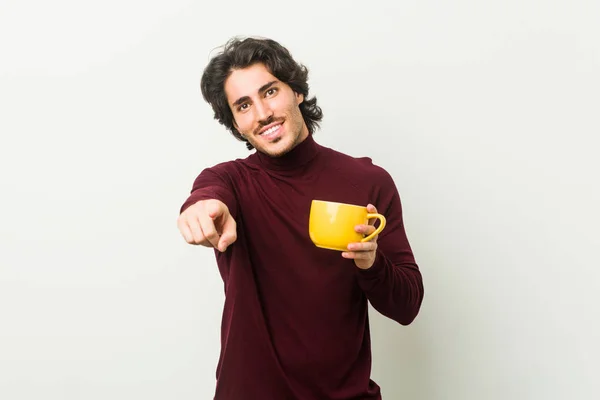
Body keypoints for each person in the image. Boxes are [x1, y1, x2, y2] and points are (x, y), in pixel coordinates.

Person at [177, 37, 424, 400]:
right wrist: (199, 208)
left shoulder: (369, 182)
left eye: (270, 91)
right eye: (244, 106)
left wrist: (371, 262)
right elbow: (207, 197)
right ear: (236, 124)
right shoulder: (228, 181)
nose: (262, 113)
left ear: (297, 92)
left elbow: (407, 306)